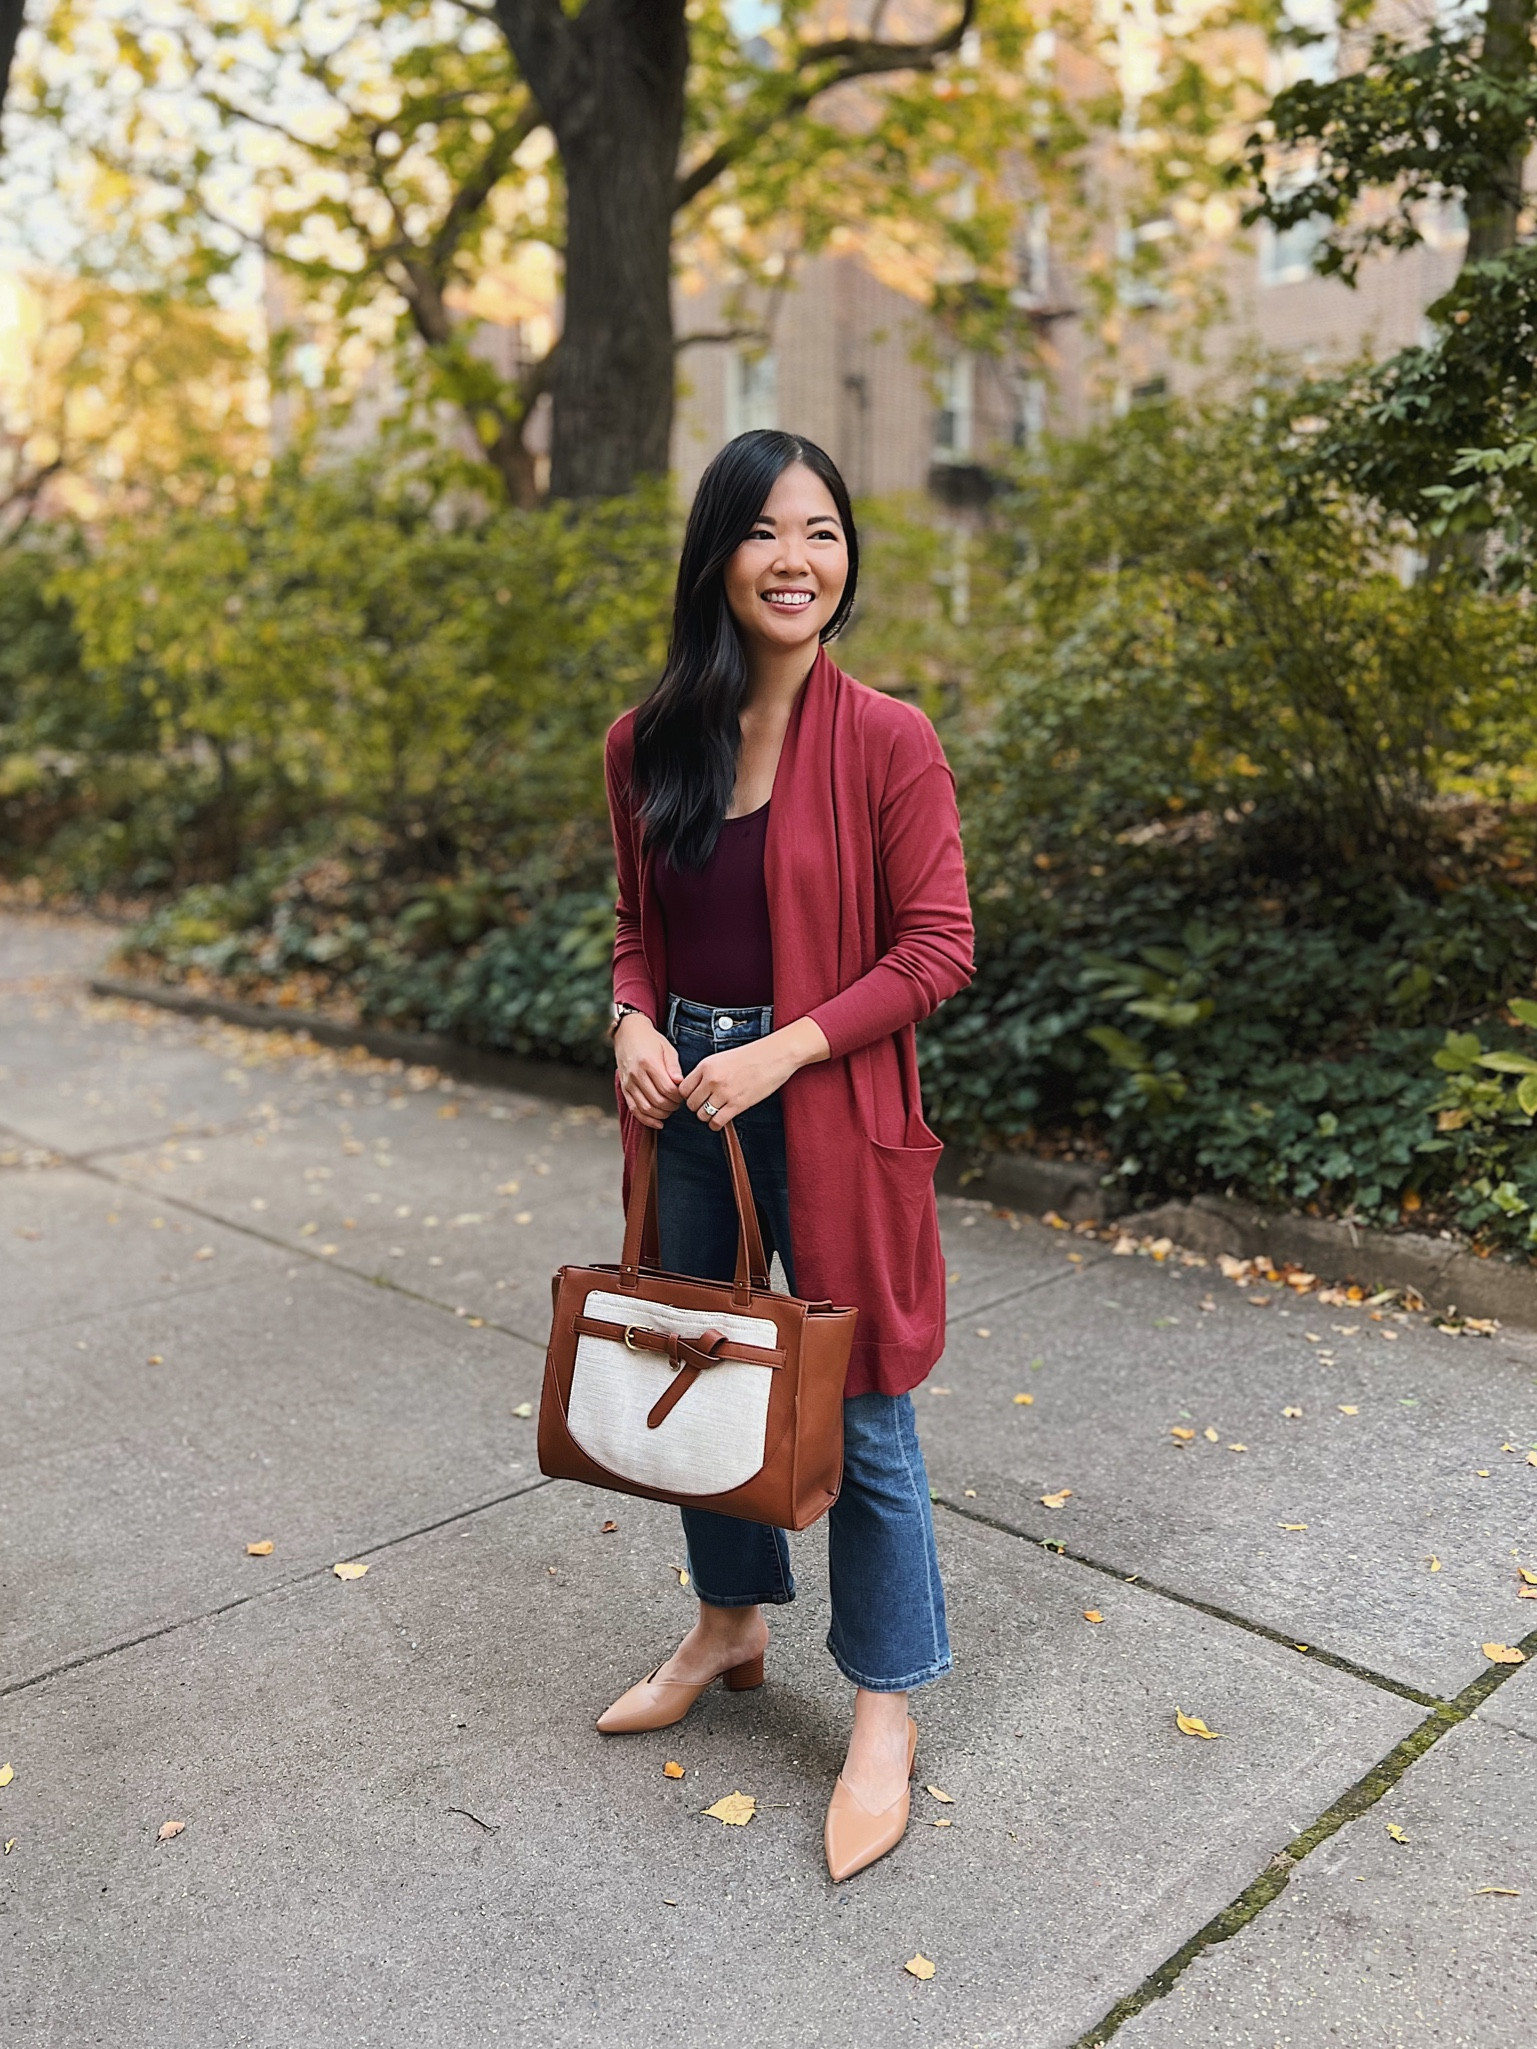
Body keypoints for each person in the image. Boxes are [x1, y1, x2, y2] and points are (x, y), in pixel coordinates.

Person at [599, 428, 974, 1881]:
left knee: (860, 1401)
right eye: (765, 531)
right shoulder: (647, 742)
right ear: (717, 554)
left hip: (822, 1095)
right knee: (697, 1371)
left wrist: (784, 1043)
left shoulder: (889, 738)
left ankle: (885, 1700)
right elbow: (637, 927)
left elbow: (936, 949)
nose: (796, 559)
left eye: (821, 531)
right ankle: (731, 1620)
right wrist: (631, 1019)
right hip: (683, 1091)